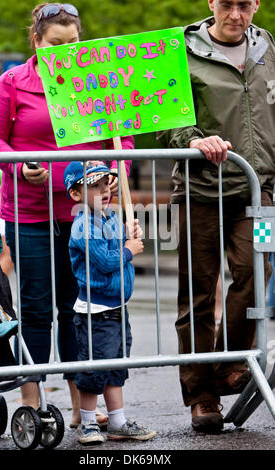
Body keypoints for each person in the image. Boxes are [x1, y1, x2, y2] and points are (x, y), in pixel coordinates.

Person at [0, 3, 134, 428]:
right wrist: (19, 163)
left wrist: (121, 172)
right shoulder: (10, 84)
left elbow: (121, 140)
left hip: (84, 214)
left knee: (77, 309)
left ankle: (82, 406)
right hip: (29, 215)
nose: (66, 52)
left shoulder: (100, 82)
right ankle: (31, 399)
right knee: (35, 309)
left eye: (74, 43)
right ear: (37, 42)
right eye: (56, 45)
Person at [158, 0, 275, 432]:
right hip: (200, 191)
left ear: (255, 6)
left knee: (256, 276)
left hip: (258, 193)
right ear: (211, 4)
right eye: (227, 4)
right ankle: (201, 397)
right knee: (198, 292)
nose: (235, 14)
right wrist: (193, 139)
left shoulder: (266, 46)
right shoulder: (182, 51)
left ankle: (227, 364)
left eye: (244, 5)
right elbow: (167, 118)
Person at [63, 160, 156, 444]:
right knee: (93, 368)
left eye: (106, 184)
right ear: (76, 194)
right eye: (94, 186)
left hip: (116, 308)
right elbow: (104, 261)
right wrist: (128, 250)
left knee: (116, 367)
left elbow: (116, 246)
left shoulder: (109, 216)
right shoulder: (82, 225)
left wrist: (130, 235)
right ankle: (89, 423)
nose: (104, 190)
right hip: (95, 311)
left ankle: (117, 421)